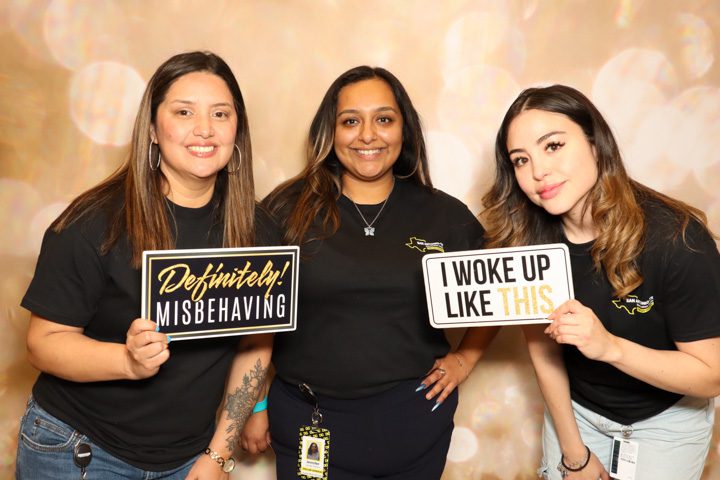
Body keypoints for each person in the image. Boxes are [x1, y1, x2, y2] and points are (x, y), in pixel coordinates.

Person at [16, 51, 277, 479]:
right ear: (153, 129)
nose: (205, 129)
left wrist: (218, 454)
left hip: (187, 457)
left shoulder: (258, 231)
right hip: (79, 449)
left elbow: (256, 344)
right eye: (184, 112)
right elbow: (43, 343)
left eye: (220, 113)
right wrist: (127, 361)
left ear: (237, 129)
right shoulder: (93, 222)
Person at [246, 66, 497, 479]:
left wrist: (464, 360)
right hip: (309, 419)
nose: (367, 135)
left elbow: (502, 290)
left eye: (383, 119)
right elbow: (253, 316)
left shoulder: (444, 215)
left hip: (414, 426)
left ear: (404, 129)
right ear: (330, 131)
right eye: (350, 121)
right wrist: (255, 404)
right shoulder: (286, 209)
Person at [483, 84, 720, 480]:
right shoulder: (528, 241)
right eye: (521, 160)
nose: (538, 172)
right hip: (576, 413)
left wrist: (610, 348)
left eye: (553, 146)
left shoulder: (676, 239)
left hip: (668, 420)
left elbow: (712, 375)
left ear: (596, 145)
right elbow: (543, 350)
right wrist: (574, 454)